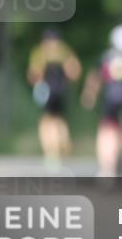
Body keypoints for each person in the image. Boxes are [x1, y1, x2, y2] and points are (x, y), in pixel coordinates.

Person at [82, 25, 122, 177]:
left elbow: (96, 78)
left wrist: (89, 96)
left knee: (107, 129)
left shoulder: (107, 57)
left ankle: (107, 167)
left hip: (113, 97)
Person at [27, 28, 81, 168]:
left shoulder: (41, 52)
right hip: (62, 89)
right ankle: (64, 143)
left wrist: (36, 83)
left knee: (46, 120)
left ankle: (51, 152)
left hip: (47, 90)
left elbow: (34, 74)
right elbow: (75, 71)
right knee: (59, 119)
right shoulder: (64, 51)